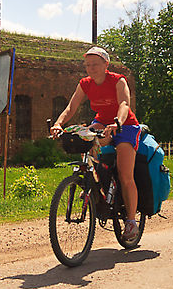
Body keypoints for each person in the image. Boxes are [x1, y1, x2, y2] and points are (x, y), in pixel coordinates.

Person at [49, 46, 142, 242]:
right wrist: (58, 124)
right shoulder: (85, 84)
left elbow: (125, 104)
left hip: (125, 125)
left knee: (126, 175)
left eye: (95, 64)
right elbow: (71, 107)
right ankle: (96, 187)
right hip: (101, 123)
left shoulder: (118, 80)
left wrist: (117, 122)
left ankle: (132, 221)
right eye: (88, 65)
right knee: (88, 140)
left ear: (105, 64)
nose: (91, 68)